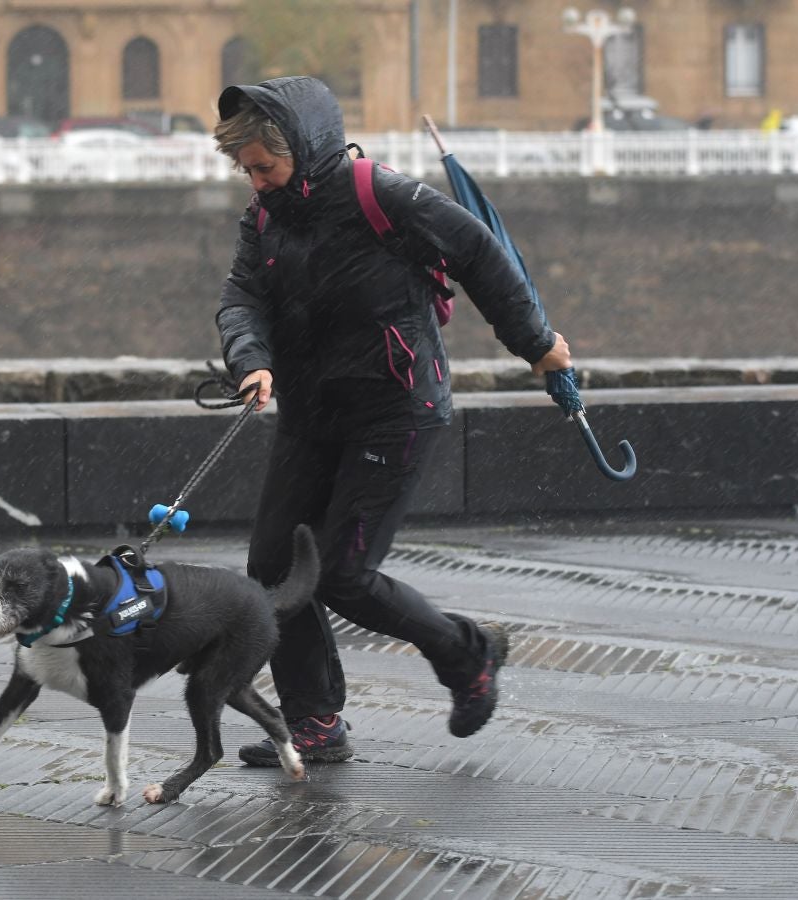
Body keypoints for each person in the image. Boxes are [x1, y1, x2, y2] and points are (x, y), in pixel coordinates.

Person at [212, 76, 572, 765]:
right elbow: (241, 296)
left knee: (343, 573)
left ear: (305, 148)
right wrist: (251, 359)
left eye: (264, 166)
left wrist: (535, 343)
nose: (254, 182)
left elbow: (479, 254)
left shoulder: (381, 193)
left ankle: (468, 657)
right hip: (314, 412)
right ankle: (314, 723)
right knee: (274, 567)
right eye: (245, 169)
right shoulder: (263, 220)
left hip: (396, 407)